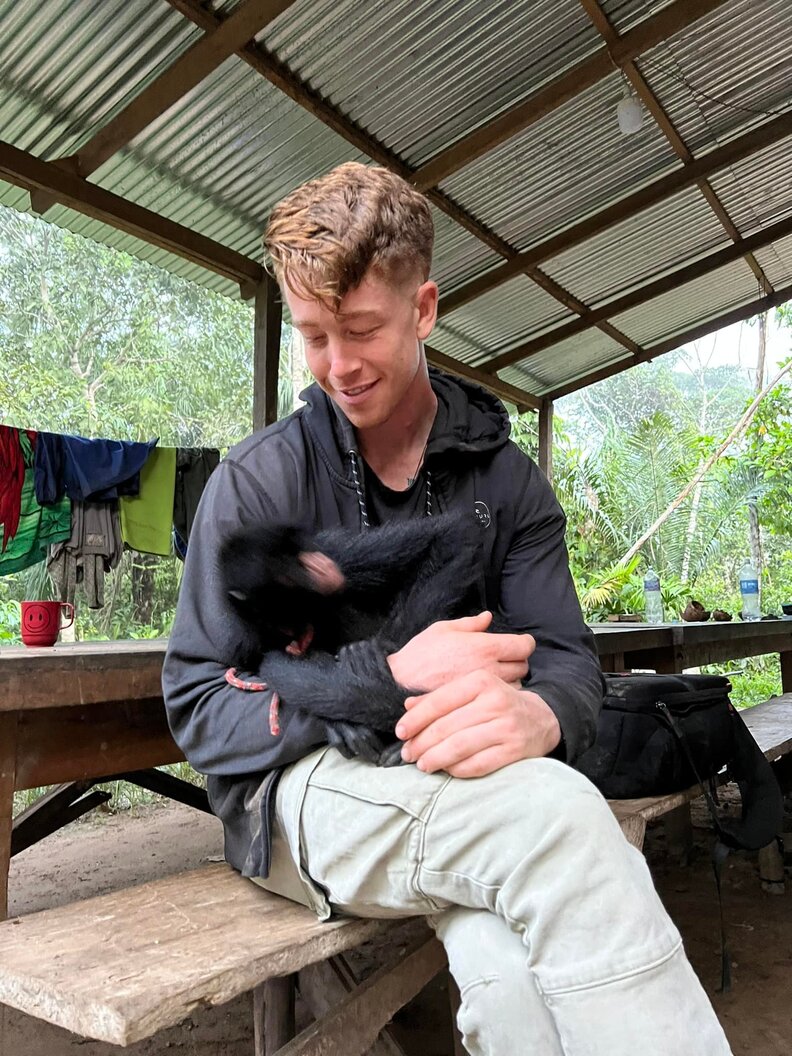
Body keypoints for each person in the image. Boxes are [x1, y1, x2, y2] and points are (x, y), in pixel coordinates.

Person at [163, 162, 732, 1055]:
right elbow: (197, 704)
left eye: (361, 330)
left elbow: (567, 659)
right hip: (297, 793)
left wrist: (542, 714)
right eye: (314, 337)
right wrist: (387, 680)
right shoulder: (260, 479)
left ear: (424, 309)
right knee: (558, 821)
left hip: (466, 784)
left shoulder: (508, 484)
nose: (338, 366)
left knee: (514, 981)